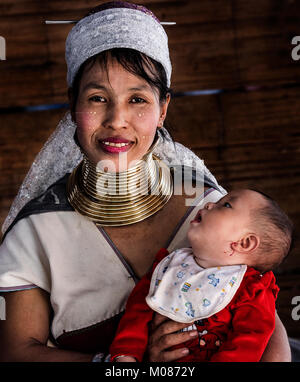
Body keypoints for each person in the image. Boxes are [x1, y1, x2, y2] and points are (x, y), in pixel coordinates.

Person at [0, 2, 291, 362]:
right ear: (73, 105)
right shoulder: (36, 231)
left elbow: (265, 320)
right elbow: (17, 352)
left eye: (137, 99)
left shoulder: (206, 205)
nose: (117, 119)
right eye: (96, 98)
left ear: (163, 108)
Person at [109, 189, 293, 362]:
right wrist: (126, 353)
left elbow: (249, 342)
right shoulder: (169, 266)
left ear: (244, 242)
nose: (209, 204)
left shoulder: (250, 289)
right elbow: (138, 311)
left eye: (226, 205)